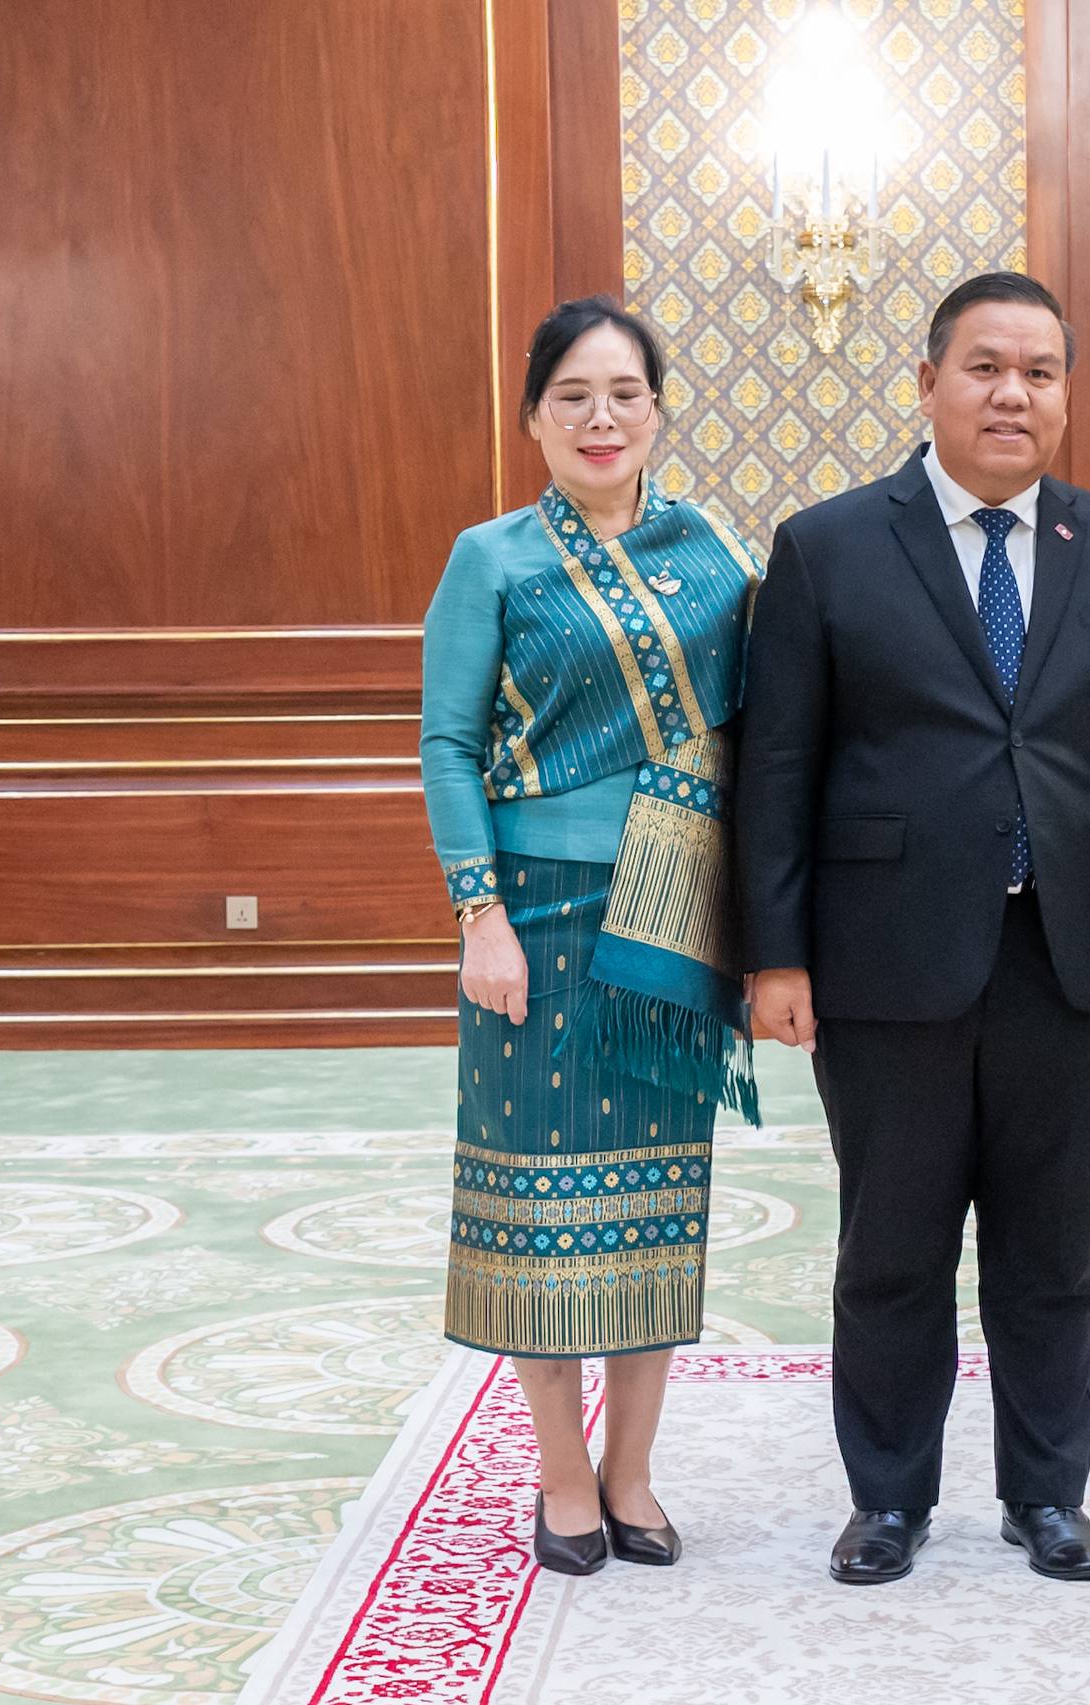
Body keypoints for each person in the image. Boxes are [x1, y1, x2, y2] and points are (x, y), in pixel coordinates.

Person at [737, 271, 1090, 1586]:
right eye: (985, 367)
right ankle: (887, 1499)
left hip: (1077, 954)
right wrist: (774, 953)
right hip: (885, 956)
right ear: (928, 383)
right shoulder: (829, 546)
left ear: (1066, 393)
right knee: (890, 1247)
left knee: (1055, 1251)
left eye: (1040, 372)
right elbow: (778, 765)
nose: (1014, 393)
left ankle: (1047, 1494)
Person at [419, 295, 759, 1578]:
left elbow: (759, 721)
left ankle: (633, 1471)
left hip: (676, 915)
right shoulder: (492, 558)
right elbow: (447, 744)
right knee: (540, 1206)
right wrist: (480, 917)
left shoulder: (710, 550)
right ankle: (562, 1475)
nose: (600, 417)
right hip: (540, 915)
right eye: (573, 395)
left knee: (654, 1201)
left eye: (624, 393)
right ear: (533, 418)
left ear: (657, 411)